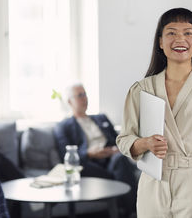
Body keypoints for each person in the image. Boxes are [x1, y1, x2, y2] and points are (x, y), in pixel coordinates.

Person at [116, 7, 192, 218]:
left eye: (188, 33)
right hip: (153, 182)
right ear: (160, 42)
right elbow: (125, 138)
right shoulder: (142, 89)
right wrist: (145, 144)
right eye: (171, 32)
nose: (180, 39)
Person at [53, 83, 138, 216]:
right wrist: (89, 153)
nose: (84, 98)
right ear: (70, 101)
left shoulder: (101, 118)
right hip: (90, 164)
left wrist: (116, 149)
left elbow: (120, 141)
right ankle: (131, 211)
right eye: (80, 95)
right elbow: (66, 155)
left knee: (120, 159)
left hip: (112, 158)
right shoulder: (63, 126)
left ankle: (130, 211)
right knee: (117, 167)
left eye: (85, 94)